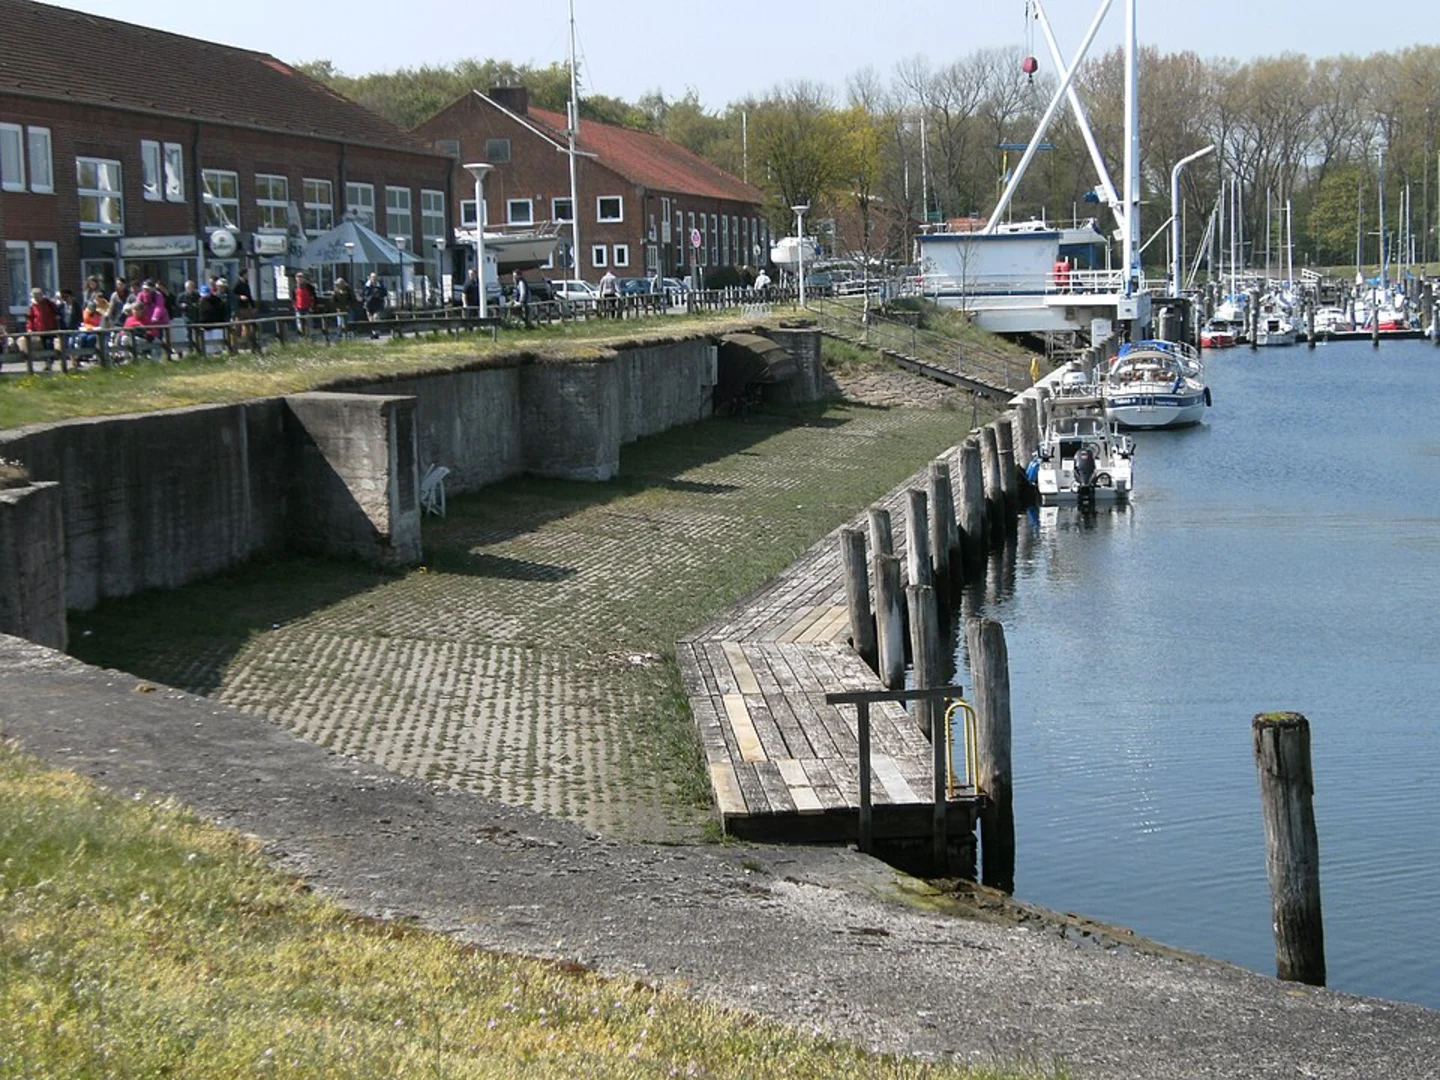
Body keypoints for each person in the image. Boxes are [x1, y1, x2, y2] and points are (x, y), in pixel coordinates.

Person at [22, 287, 61, 368]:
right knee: (44, 345)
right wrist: (30, 328)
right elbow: (30, 318)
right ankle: (47, 361)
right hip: (40, 329)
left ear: (41, 295)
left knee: (49, 343)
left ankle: (50, 360)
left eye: (37, 295)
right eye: (34, 296)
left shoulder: (48, 303)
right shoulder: (33, 306)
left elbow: (56, 311)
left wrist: (57, 319)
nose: (36, 297)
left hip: (50, 328)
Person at [176, 280, 202, 354]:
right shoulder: (182, 296)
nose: (190, 289)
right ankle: (190, 349)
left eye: (191, 287)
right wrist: (182, 305)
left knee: (198, 333)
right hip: (187, 316)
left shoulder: (197, 295)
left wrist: (196, 305)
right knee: (188, 332)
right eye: (188, 288)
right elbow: (177, 304)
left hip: (196, 316)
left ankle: (199, 348)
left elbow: (200, 302)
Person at [363, 272, 388, 337]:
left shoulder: (380, 285)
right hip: (369, 304)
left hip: (377, 304)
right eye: (373, 277)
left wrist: (379, 294)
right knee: (370, 319)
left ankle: (377, 332)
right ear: (370, 278)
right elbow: (364, 294)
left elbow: (385, 293)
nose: (374, 279)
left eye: (375, 277)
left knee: (376, 317)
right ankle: (374, 333)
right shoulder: (367, 285)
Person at [294, 272, 317, 337]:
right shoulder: (294, 287)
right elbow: (293, 298)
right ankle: (302, 337)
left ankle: (309, 337)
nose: (299, 279)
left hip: (308, 308)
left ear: (304, 278)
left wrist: (312, 307)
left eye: (301, 277)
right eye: (298, 277)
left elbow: (314, 297)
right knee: (300, 324)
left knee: (308, 324)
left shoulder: (309, 287)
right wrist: (295, 306)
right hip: (299, 308)